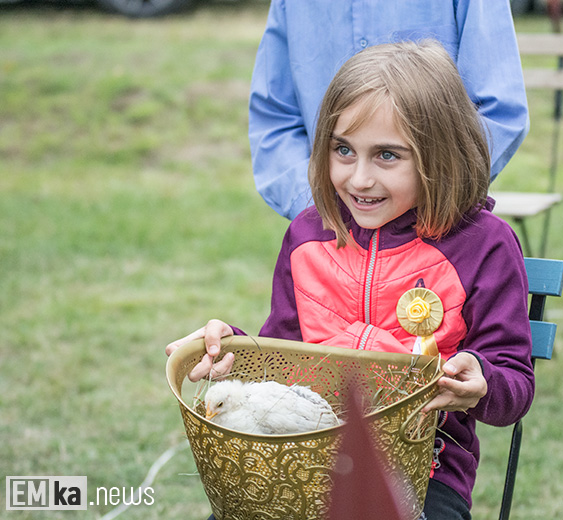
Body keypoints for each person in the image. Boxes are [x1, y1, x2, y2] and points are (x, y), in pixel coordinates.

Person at [167, 41, 534, 519]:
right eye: (343, 149)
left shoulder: (484, 245)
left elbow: (514, 386)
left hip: (423, 472)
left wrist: (482, 381)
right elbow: (281, 361)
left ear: (440, 155)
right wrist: (231, 349)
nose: (359, 178)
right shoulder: (308, 234)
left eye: (387, 155)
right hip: (299, 458)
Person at [249, 0, 530, 221]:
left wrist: (433, 196)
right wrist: (322, 209)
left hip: (434, 232)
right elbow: (275, 120)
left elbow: (499, 112)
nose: (363, 180)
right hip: (330, 237)